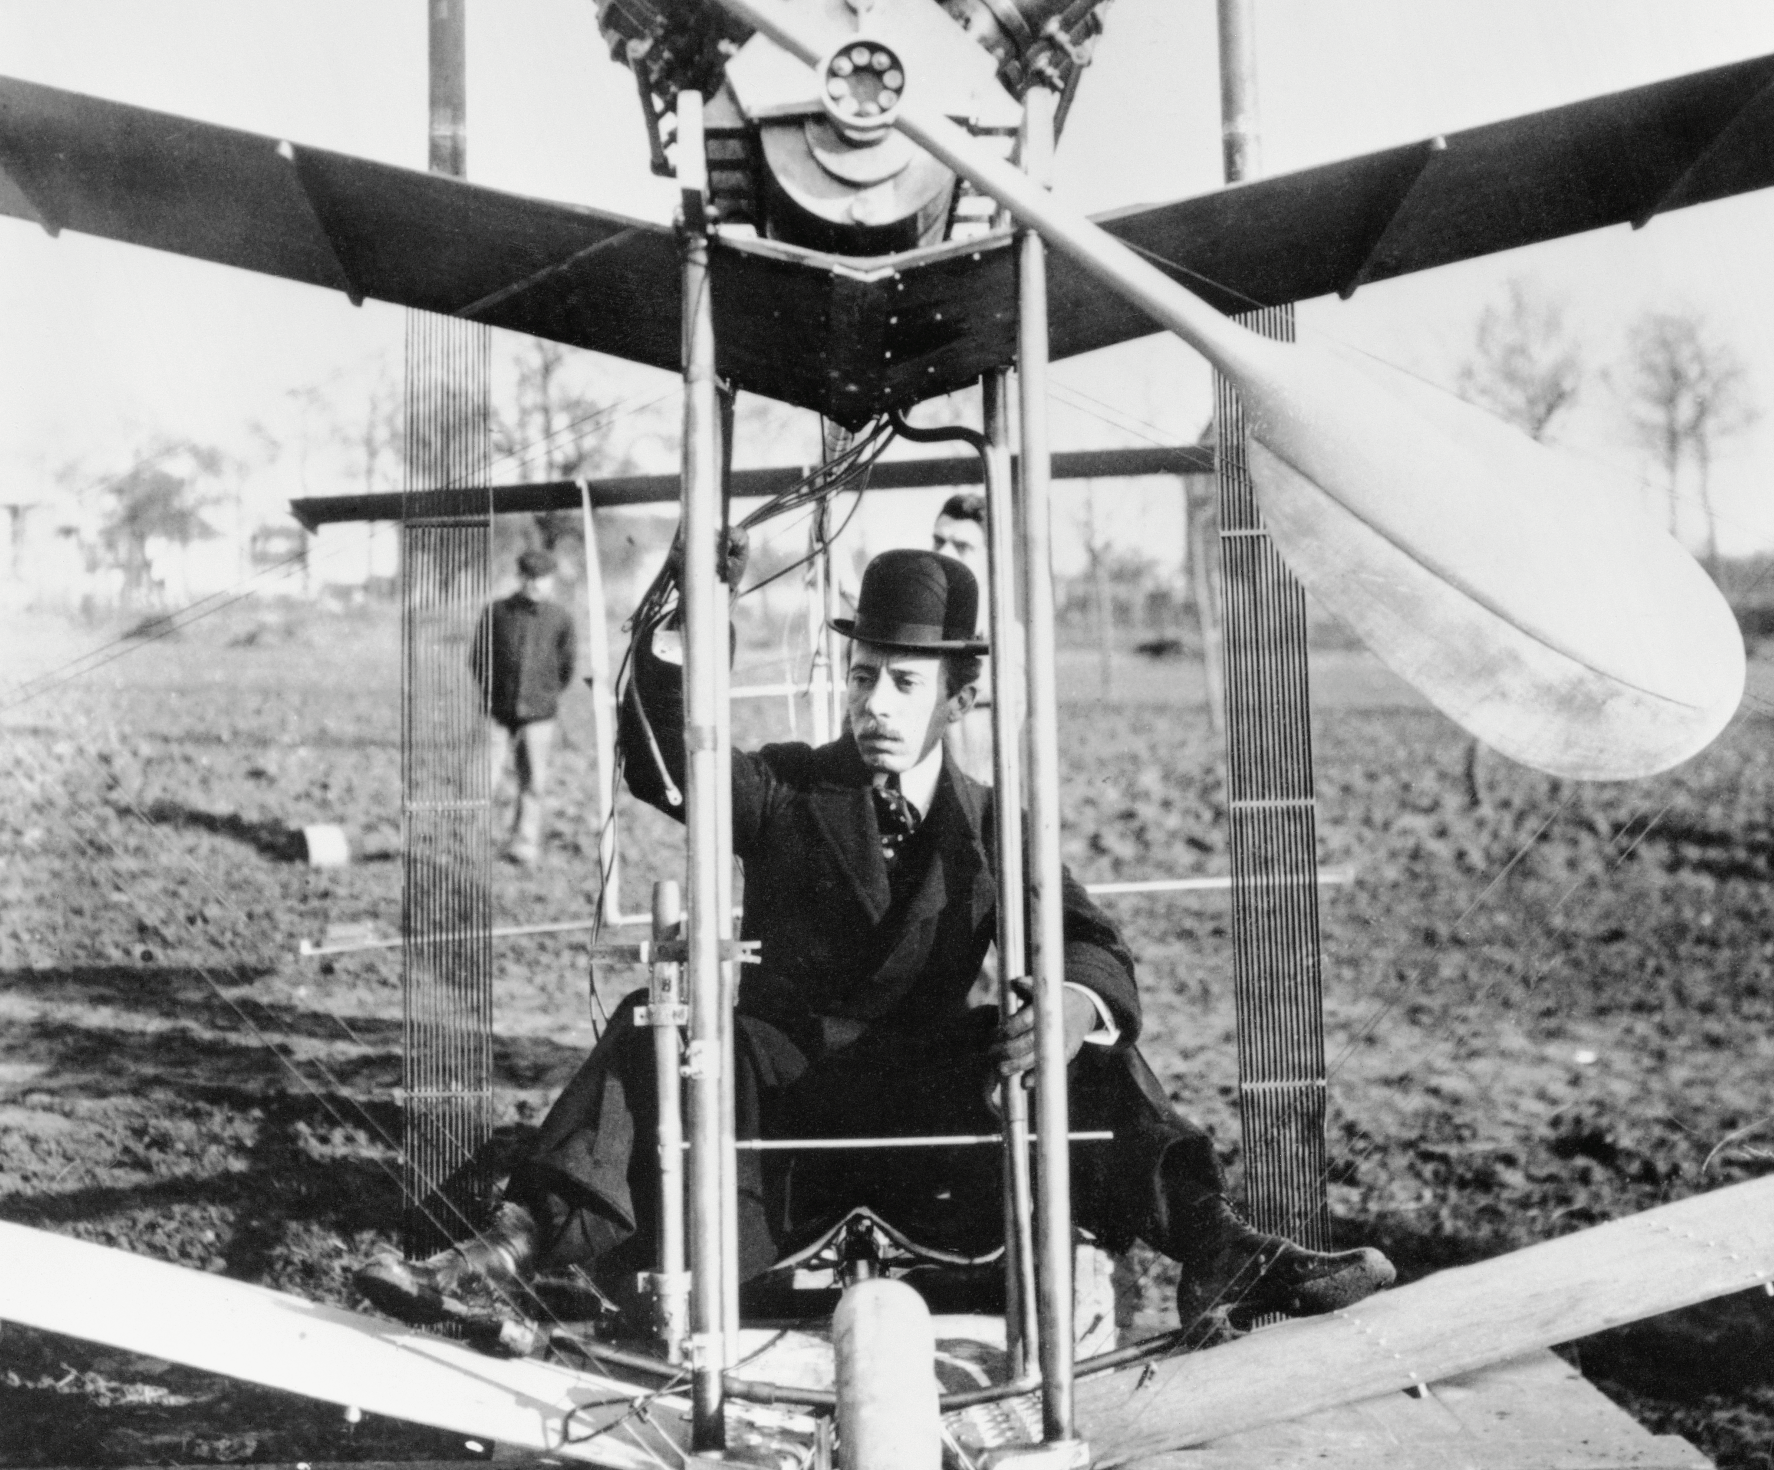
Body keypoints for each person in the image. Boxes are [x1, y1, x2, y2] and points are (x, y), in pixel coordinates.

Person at [360, 548, 1392, 1340]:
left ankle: (1217, 1248)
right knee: (652, 1024)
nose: (872, 706)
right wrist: (675, 619)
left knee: (1092, 1051)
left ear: (960, 694)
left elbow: (1089, 940)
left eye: (902, 683)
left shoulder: (992, 822)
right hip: (782, 1101)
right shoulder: (781, 788)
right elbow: (660, 764)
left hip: (932, 1112)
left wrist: (1073, 1007)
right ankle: (514, 1247)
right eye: (862, 678)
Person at [471, 547, 577, 867]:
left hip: (539, 715)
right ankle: (473, 844)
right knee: (482, 779)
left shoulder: (560, 618)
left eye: (541, 579)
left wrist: (545, 696)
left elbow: (566, 665)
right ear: (519, 578)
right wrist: (493, 694)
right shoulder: (496, 612)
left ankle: (524, 844)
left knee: (533, 781)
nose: (534, 584)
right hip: (498, 713)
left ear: (550, 581)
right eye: (528, 577)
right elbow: (478, 658)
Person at [931, 491, 999, 784]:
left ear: (991, 557)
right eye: (938, 541)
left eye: (962, 546)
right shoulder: (929, 622)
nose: (944, 554)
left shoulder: (1008, 638)